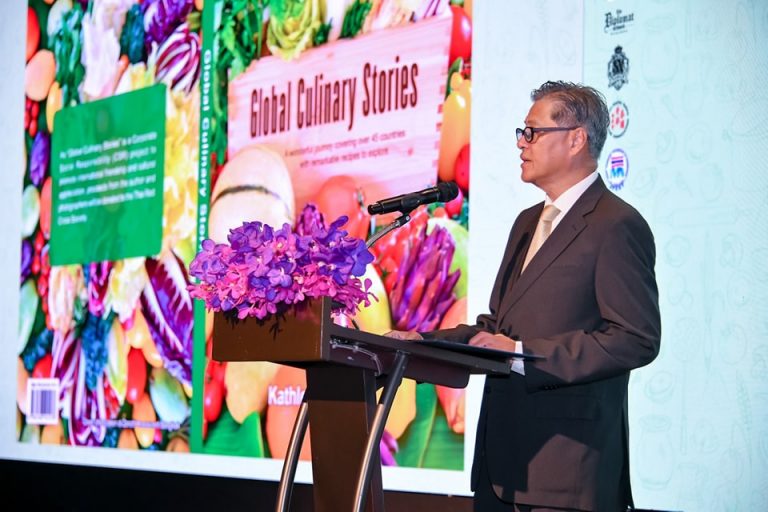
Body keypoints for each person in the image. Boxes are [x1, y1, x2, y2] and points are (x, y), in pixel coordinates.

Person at [387, 81, 661, 511]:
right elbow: (496, 329)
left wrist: (521, 354)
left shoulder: (616, 224)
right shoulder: (527, 223)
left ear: (576, 139)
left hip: (566, 473)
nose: (521, 143)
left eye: (532, 132)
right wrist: (422, 343)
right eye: (522, 132)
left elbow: (635, 338)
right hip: (501, 470)